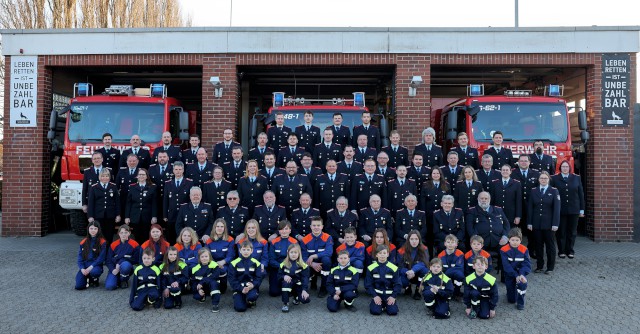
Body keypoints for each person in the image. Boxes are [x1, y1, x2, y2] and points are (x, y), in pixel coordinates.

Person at [527, 171, 560, 274]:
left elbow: (556, 209)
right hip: (536, 224)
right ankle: (539, 266)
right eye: (541, 178)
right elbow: (530, 208)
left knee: (550, 246)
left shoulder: (554, 191)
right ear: (538, 180)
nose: (543, 180)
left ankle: (550, 267)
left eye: (545, 178)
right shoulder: (533, 191)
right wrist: (529, 222)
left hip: (549, 225)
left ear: (549, 179)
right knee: (538, 246)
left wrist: (555, 223)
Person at [551, 160, 585, 259]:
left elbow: (580, 195)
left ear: (569, 168)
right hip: (560, 210)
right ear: (560, 168)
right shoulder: (555, 178)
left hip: (574, 209)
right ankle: (561, 251)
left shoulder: (576, 178)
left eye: (566, 167)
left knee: (572, 231)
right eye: (563, 167)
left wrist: (582, 210)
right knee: (561, 231)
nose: (565, 168)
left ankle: (570, 250)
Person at [511, 154, 541, 258]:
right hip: (516, 207)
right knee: (515, 231)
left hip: (531, 207)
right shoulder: (512, 173)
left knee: (531, 232)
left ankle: (531, 250)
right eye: (521, 161)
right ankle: (515, 251)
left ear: (529, 162)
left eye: (525, 161)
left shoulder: (536, 174)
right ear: (518, 162)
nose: (523, 163)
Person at [301, 216, 334, 298]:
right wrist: (312, 264)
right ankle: (311, 281)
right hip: (310, 263)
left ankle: (324, 287)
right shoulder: (305, 239)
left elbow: (329, 252)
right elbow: (303, 256)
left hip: (322, 262)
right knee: (304, 266)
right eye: (314, 225)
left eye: (318, 225)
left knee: (327, 260)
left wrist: (314, 256)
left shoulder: (328, 237)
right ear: (310, 226)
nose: (316, 227)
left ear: (322, 226)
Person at [228, 240, 265, 312]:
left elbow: (259, 278)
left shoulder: (256, 263)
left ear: (252, 251)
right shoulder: (233, 263)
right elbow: (232, 279)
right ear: (240, 250)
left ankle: (251, 300)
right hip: (239, 287)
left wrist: (253, 285)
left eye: (248, 249)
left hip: (251, 286)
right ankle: (239, 297)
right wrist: (241, 288)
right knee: (240, 308)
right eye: (244, 249)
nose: (246, 252)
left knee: (252, 296)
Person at [365, 244, 402, 316]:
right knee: (375, 312)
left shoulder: (394, 268)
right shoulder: (371, 268)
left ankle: (386, 306)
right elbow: (368, 284)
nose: (382, 255)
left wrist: (393, 296)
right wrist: (375, 296)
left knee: (393, 312)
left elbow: (398, 284)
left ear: (388, 254)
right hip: (377, 295)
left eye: (384, 253)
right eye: (380, 253)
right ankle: (378, 305)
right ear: (376, 255)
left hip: (389, 295)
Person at [500, 227, 531, 310]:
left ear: (520, 240)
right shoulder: (503, 250)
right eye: (513, 240)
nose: (515, 242)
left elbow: (527, 264)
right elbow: (506, 266)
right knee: (511, 300)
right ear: (509, 240)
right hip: (509, 274)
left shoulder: (524, 250)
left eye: (517, 240)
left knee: (522, 284)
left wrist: (521, 275)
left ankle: (521, 302)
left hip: (521, 274)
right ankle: (512, 294)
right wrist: (515, 275)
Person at [87, 169, 120, 244]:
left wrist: (118, 214)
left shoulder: (113, 186)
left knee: (109, 234)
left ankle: (108, 252)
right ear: (99, 177)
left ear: (109, 177)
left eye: (107, 176)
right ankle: (100, 251)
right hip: (98, 215)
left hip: (110, 215)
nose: (105, 178)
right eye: (103, 176)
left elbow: (117, 202)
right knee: (99, 234)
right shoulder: (94, 187)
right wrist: (90, 216)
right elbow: (91, 203)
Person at [163, 161, 193, 244]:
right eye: (176, 169)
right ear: (173, 170)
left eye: (180, 169)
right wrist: (165, 215)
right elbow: (165, 200)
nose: (178, 171)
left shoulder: (189, 182)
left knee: (184, 235)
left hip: (184, 213)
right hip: (171, 214)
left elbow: (190, 199)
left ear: (183, 170)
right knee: (171, 236)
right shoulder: (168, 183)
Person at [124, 168, 158, 242]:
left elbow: (154, 203)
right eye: (139, 174)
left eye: (143, 174)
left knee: (146, 237)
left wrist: (154, 216)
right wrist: (127, 216)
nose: (141, 176)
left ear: (146, 176)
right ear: (137, 176)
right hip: (135, 216)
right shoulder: (132, 187)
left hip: (147, 216)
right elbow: (128, 203)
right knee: (136, 237)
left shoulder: (152, 187)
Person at [205, 219, 236, 294]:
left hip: (225, 264)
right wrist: (215, 264)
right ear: (214, 228)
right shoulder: (209, 240)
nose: (219, 228)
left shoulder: (230, 240)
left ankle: (222, 286)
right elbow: (206, 255)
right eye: (217, 226)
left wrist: (223, 262)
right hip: (212, 264)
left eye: (222, 226)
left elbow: (231, 255)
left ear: (224, 228)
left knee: (222, 289)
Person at [268, 220, 298, 297]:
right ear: (279, 231)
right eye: (282, 229)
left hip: (290, 268)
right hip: (277, 268)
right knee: (274, 292)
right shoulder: (274, 242)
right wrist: (281, 266)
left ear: (290, 230)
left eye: (286, 229)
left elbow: (297, 258)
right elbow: (271, 260)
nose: (284, 231)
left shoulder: (294, 242)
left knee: (291, 292)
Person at [396, 230, 429, 300]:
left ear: (419, 240)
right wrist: (407, 272)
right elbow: (399, 267)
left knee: (425, 271)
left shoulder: (424, 249)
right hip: (407, 274)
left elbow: (424, 263)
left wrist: (413, 271)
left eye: (416, 239)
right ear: (408, 240)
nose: (414, 241)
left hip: (417, 272)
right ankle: (407, 287)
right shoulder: (402, 250)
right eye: (412, 239)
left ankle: (418, 290)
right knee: (401, 280)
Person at [105, 225, 139, 290]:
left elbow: (136, 260)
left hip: (126, 267)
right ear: (118, 234)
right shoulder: (113, 244)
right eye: (121, 233)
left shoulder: (135, 244)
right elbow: (108, 260)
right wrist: (113, 269)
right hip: (114, 268)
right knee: (110, 286)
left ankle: (124, 280)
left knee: (125, 265)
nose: (124, 234)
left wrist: (120, 262)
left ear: (129, 233)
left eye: (126, 232)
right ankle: (117, 278)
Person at [278, 243, 311, 312]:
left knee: (305, 300)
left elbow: (305, 279)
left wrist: (304, 290)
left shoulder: (303, 265)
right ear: (288, 253)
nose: (293, 254)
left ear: (299, 253)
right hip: (288, 284)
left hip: (298, 286)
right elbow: (279, 276)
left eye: (295, 252)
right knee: (285, 283)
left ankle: (296, 297)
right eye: (291, 252)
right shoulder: (283, 264)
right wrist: (284, 276)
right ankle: (285, 303)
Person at [74, 221, 107, 290]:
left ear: (98, 230)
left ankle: (94, 279)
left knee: (94, 272)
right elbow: (80, 258)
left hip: (95, 266)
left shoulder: (102, 242)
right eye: (91, 228)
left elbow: (101, 258)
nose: (93, 230)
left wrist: (90, 268)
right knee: (78, 286)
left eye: (95, 229)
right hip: (85, 266)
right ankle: (87, 277)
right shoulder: (83, 242)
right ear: (88, 229)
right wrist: (82, 268)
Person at [190, 248, 222, 312]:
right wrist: (199, 289)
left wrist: (201, 282)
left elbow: (214, 276)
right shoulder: (195, 269)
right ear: (199, 258)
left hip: (213, 286)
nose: (204, 258)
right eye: (202, 257)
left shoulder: (215, 265)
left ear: (210, 257)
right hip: (203, 287)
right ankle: (202, 296)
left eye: (206, 256)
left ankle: (215, 304)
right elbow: (193, 283)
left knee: (213, 283)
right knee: (196, 296)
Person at [148, 151, 173, 222]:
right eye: (160, 157)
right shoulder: (151, 168)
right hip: (155, 199)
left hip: (169, 199)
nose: (162, 159)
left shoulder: (173, 168)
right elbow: (149, 183)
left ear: (168, 158)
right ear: (157, 158)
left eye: (164, 157)